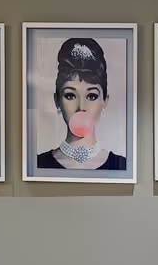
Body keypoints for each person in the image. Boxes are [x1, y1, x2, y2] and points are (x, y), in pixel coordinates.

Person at [34, 37, 127, 173]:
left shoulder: (122, 165)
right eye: (70, 96)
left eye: (91, 96)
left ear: (105, 101)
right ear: (57, 101)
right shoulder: (38, 164)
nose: (81, 107)